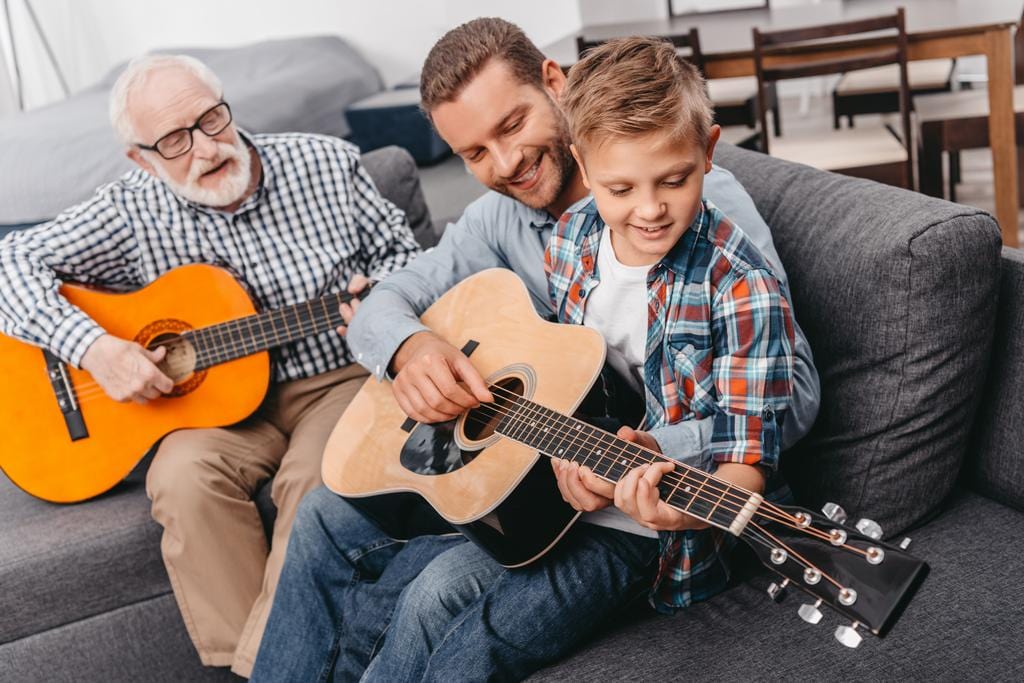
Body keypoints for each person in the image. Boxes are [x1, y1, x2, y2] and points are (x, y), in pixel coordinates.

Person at [252, 19, 819, 682]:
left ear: (555, 83)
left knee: (440, 590)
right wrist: (411, 348)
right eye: (475, 153)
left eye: (512, 124)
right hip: (544, 464)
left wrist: (654, 450)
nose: (505, 163)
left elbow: (791, 394)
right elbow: (385, 300)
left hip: (626, 485)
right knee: (323, 508)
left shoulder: (697, 211)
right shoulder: (536, 229)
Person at [0, 54, 421, 677]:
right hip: (207, 409)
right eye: (174, 141)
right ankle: (264, 668)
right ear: (140, 160)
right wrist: (93, 348)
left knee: (315, 483)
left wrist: (381, 298)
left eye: (211, 119)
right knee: (183, 482)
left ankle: (275, 669)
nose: (205, 147)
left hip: (332, 378)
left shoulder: (326, 162)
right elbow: (9, 264)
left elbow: (407, 256)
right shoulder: (128, 210)